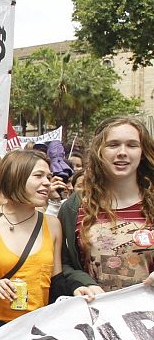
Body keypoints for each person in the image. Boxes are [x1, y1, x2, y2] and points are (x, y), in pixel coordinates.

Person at [0, 150, 96, 340]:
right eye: (39, 176)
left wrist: (76, 289)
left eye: (48, 177)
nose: (48, 182)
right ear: (16, 178)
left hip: (35, 328)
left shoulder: (52, 224)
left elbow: (55, 280)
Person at [59, 115, 154, 291]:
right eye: (113, 144)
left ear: (142, 153)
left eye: (132, 145)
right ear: (99, 151)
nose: (122, 152)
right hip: (97, 312)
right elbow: (63, 264)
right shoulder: (74, 207)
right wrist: (82, 283)